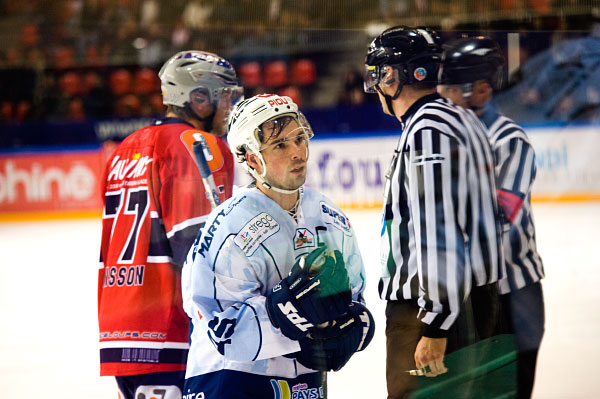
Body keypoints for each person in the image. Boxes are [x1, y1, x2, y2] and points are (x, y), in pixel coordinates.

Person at [181, 93, 375, 398]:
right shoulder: (229, 227)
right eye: (280, 145)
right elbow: (221, 330)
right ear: (253, 158)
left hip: (305, 385)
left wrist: (346, 329)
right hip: (231, 382)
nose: (298, 153)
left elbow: (355, 299)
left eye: (299, 139)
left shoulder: (329, 216)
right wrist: (285, 312)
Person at [363, 26, 504, 398]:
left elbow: (439, 231)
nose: (375, 85)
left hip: (430, 312)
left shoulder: (428, 130)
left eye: (378, 74)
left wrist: (436, 326)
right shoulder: (456, 119)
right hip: (468, 301)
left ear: (394, 75)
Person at [97, 50, 243, 399]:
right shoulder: (198, 145)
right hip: (172, 327)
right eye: (224, 95)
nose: (230, 105)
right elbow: (197, 246)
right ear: (198, 98)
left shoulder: (123, 150)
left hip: (120, 327)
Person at [438, 36, 545, 399]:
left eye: (452, 88)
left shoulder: (508, 140)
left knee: (509, 391)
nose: (444, 96)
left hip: (514, 295)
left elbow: (500, 218)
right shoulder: (446, 139)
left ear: (482, 89)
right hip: (470, 296)